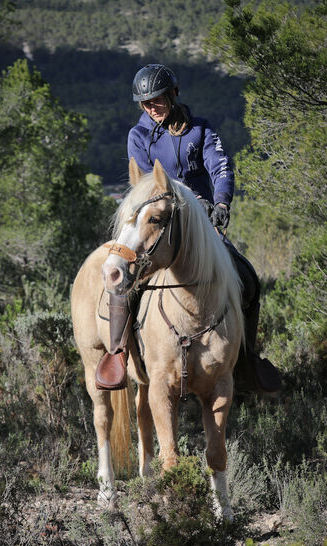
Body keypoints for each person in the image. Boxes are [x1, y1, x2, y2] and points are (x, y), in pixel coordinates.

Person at [95, 63, 281, 393]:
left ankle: (247, 356)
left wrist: (222, 202)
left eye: (157, 100)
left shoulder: (201, 130)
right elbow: (146, 184)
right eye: (146, 103)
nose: (152, 108)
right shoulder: (138, 136)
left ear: (173, 94)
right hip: (157, 226)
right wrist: (187, 201)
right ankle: (119, 352)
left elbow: (221, 168)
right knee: (123, 279)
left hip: (203, 228)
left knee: (247, 278)